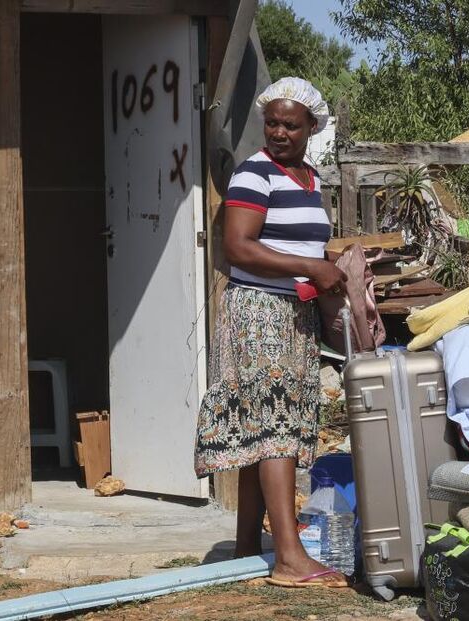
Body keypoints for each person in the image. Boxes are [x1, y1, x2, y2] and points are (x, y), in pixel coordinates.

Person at [194, 77, 349, 587]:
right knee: (275, 431)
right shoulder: (254, 174)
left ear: (311, 128)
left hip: (292, 313)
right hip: (260, 313)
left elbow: (295, 247)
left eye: (291, 124)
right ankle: (288, 556)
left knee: (263, 430)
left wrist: (325, 274)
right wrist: (311, 265)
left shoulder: (309, 178)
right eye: (273, 122)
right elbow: (239, 246)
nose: (280, 132)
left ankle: (246, 549)